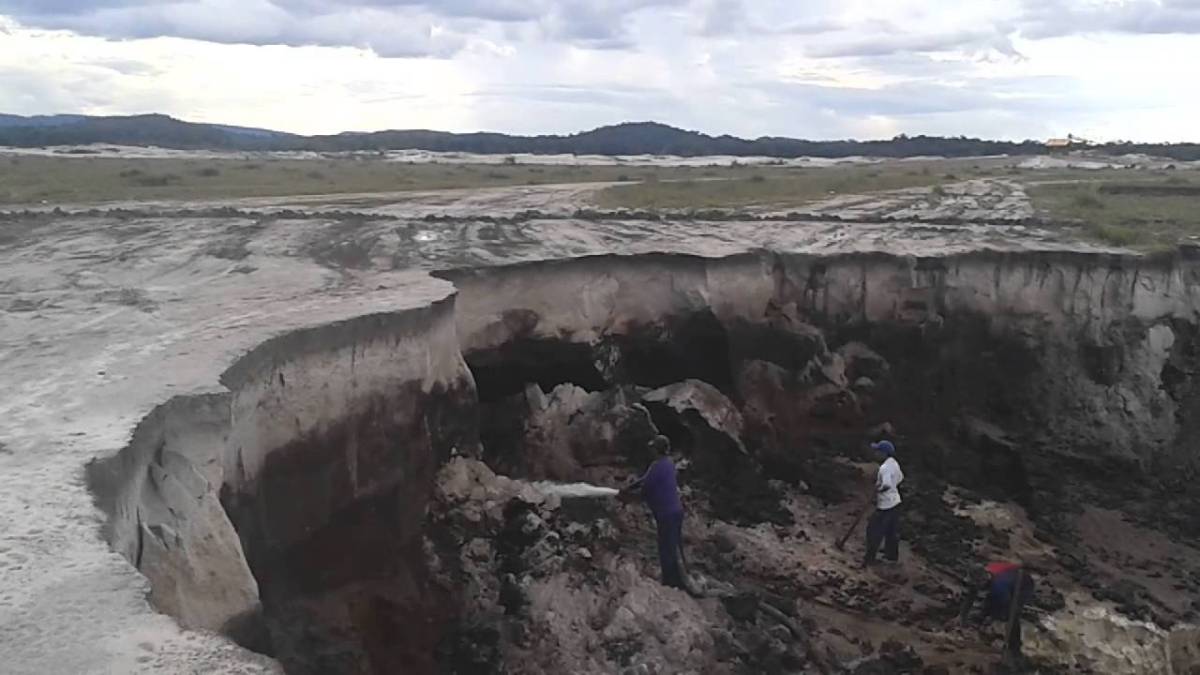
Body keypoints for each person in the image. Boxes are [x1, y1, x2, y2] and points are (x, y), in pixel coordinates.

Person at [621, 435, 691, 592]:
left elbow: (645, 490)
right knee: (674, 545)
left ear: (657, 449)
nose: (651, 450)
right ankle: (680, 576)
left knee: (666, 547)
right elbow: (644, 480)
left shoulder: (658, 466)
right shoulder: (666, 463)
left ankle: (671, 582)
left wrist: (626, 496)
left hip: (667, 514)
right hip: (675, 511)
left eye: (653, 448)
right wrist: (628, 488)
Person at [959, 561, 1036, 662]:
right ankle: (981, 619)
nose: (975, 586)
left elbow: (1007, 608)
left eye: (976, 584)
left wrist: (991, 619)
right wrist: (962, 618)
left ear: (983, 581)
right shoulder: (982, 578)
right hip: (1009, 577)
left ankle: (1015, 648)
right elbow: (970, 597)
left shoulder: (999, 587)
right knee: (989, 604)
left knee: (1010, 614)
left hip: (1023, 584)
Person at [862, 439, 904, 568]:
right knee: (891, 531)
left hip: (886, 505)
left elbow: (886, 484)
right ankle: (891, 557)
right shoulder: (894, 464)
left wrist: (878, 490)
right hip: (896, 502)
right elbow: (900, 477)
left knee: (873, 530)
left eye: (878, 451)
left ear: (884, 453)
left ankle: (870, 558)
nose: (875, 453)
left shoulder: (885, 468)